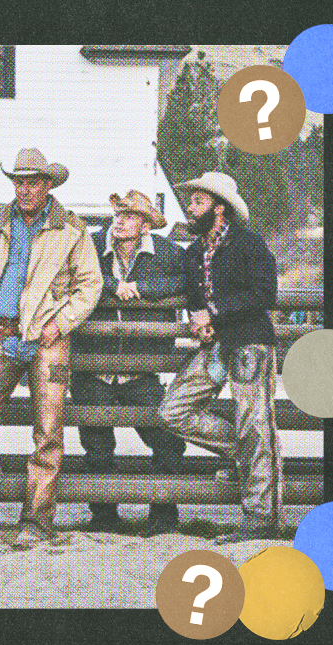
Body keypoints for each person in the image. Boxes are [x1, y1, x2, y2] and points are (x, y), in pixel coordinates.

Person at [0, 148, 103, 549]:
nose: (24, 189)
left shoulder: (73, 230)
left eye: (32, 182)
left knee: (48, 431)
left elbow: (90, 285)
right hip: (0, 335)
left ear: (48, 185)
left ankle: (37, 523)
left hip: (50, 341)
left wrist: (59, 324)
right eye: (19, 182)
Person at [155, 171, 282, 545]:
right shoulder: (195, 252)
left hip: (250, 344)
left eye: (198, 201)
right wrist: (202, 323)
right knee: (172, 410)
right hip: (215, 347)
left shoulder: (250, 243)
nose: (191, 208)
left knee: (255, 422)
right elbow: (197, 299)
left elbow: (265, 295)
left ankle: (262, 518)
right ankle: (244, 456)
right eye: (191, 201)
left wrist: (215, 313)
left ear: (219, 208)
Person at [70, 190, 187, 536]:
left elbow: (184, 281)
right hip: (93, 363)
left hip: (143, 366)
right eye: (119, 214)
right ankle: (104, 517)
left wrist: (143, 288)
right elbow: (72, 274)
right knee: (97, 445)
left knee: (168, 440)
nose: (120, 221)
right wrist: (113, 286)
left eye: (131, 216)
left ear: (146, 224)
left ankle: (163, 514)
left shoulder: (168, 252)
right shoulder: (89, 245)